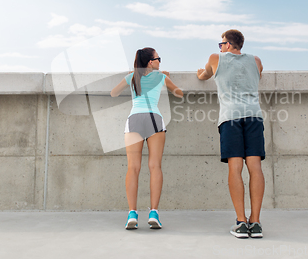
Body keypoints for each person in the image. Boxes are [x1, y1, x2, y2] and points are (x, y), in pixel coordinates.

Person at [197, 29, 265, 238]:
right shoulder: (256, 60)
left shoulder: (215, 58)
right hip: (254, 115)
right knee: (255, 167)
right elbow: (255, 76)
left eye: (221, 44)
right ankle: (256, 222)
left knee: (235, 168)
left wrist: (200, 72)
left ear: (227, 44)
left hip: (231, 117)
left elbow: (205, 75)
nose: (219, 47)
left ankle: (241, 222)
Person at [111, 47, 183, 230]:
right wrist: (167, 78)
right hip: (154, 119)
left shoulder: (133, 77)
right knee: (155, 166)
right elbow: (179, 93)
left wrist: (131, 76)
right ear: (151, 62)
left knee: (133, 168)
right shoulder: (161, 77)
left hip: (134, 119)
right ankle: (154, 213)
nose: (160, 61)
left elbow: (114, 93)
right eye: (158, 58)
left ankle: (132, 214)